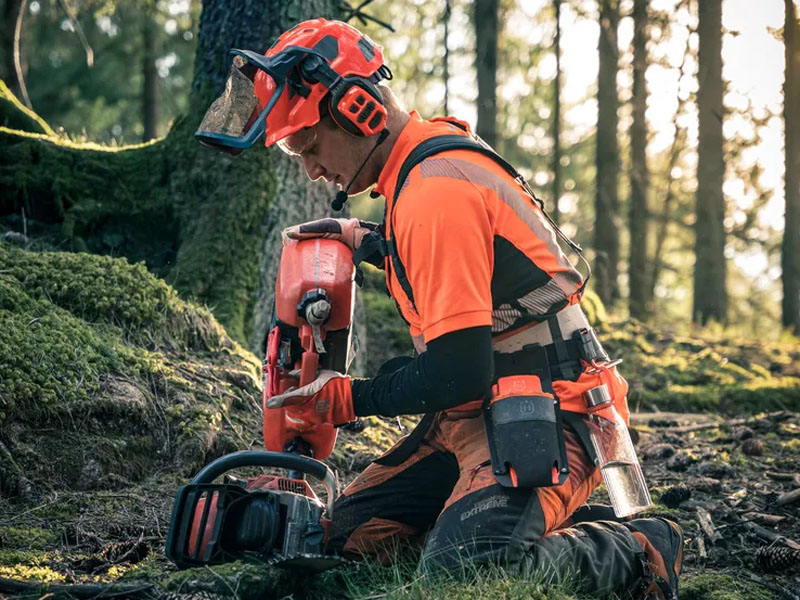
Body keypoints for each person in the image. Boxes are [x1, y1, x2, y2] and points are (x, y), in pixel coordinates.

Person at [195, 18, 683, 599]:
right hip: (473, 412)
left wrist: (348, 399)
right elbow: (470, 274)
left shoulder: (434, 192)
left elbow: (458, 370)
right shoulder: (418, 172)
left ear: (357, 109)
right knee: (342, 543)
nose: (312, 169)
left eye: (310, 145)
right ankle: (498, 520)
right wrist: (373, 243)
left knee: (466, 573)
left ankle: (641, 547)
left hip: (553, 410)